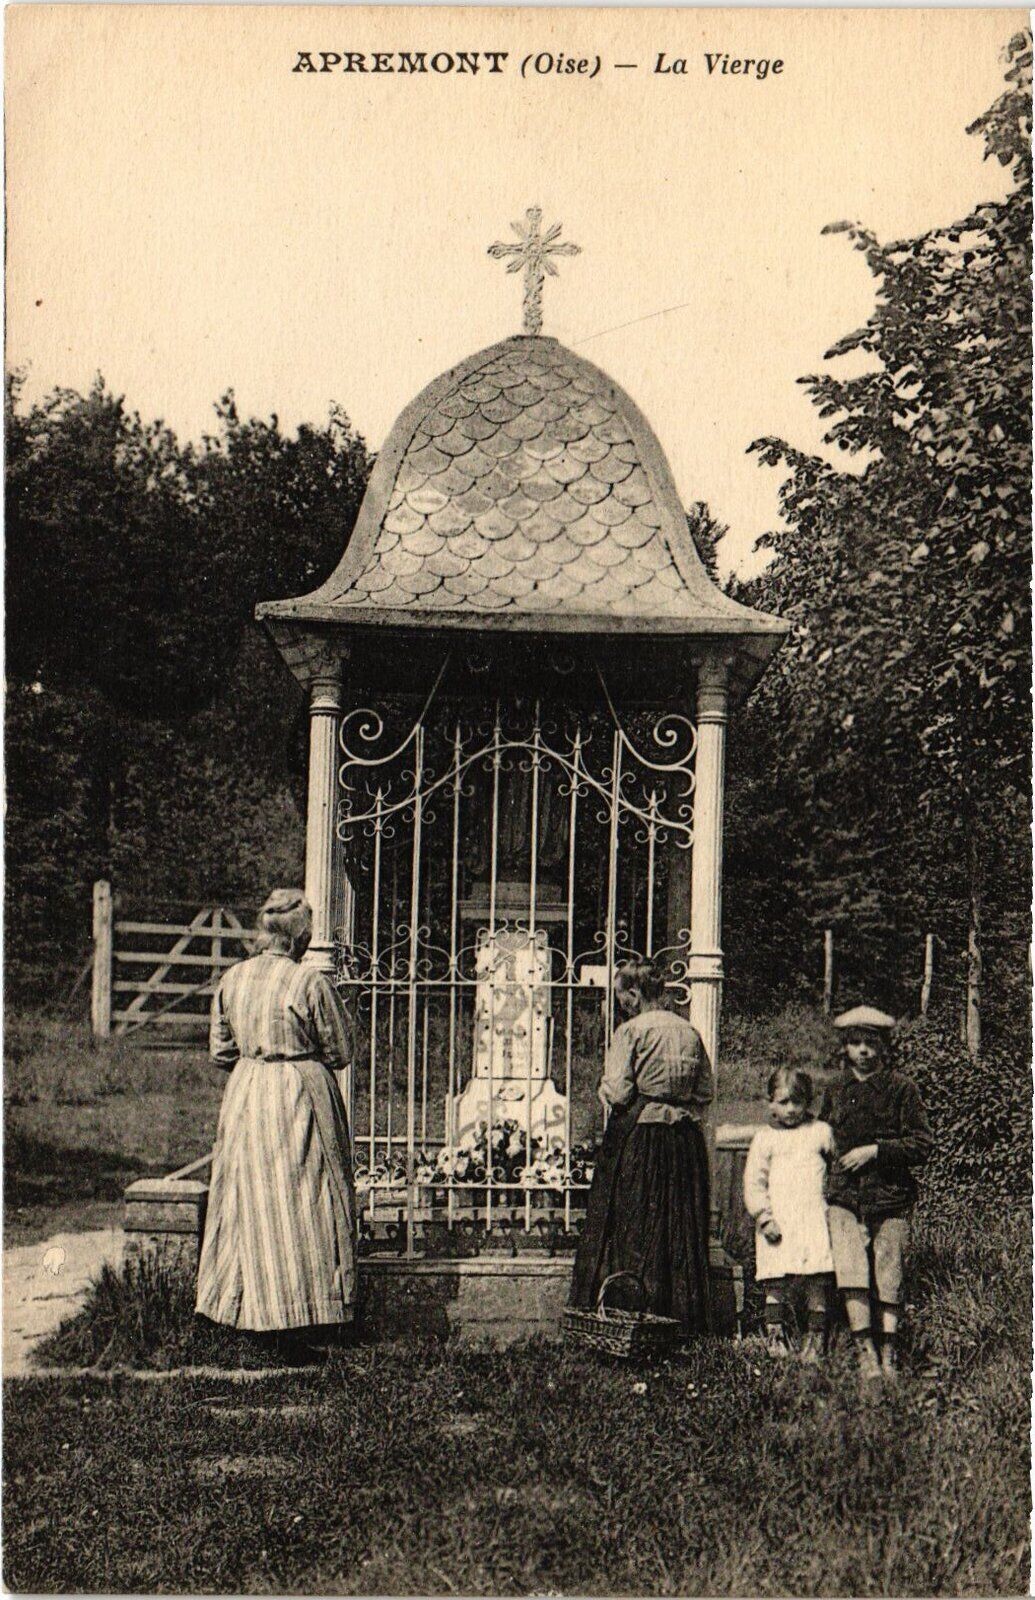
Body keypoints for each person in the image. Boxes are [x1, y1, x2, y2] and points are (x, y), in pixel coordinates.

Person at [195, 889, 358, 1352]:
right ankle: (303, 1316)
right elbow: (341, 1051)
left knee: (251, 1198)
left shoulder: (233, 979)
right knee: (305, 1197)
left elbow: (220, 1050)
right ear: (298, 938)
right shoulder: (308, 982)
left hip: (248, 1091)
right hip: (298, 1093)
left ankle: (246, 1309)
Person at [569, 959, 713, 1335]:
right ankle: (679, 1319)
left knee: (635, 1224)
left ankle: (632, 1317)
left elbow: (618, 1092)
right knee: (677, 1227)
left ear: (633, 995)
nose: (621, 1005)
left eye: (622, 998)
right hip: (683, 1142)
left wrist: (607, 1091)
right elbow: (705, 1092)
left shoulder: (631, 1031)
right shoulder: (690, 1031)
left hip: (644, 1139)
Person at [819, 1004, 932, 1382]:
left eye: (871, 1042)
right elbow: (820, 1139)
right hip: (844, 1196)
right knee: (851, 1269)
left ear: (884, 1045)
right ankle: (864, 1350)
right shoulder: (834, 1089)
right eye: (855, 1043)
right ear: (845, 1047)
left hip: (890, 1196)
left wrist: (877, 1151)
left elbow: (922, 1144)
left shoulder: (902, 1089)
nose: (864, 1051)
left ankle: (889, 1352)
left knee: (889, 1271)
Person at [743, 1067, 835, 1363]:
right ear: (770, 1102)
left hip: (813, 1219)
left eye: (798, 1101)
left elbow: (837, 1170)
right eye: (783, 1102)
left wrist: (836, 1206)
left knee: (817, 1279)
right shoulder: (765, 1139)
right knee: (776, 1280)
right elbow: (754, 1182)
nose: (791, 1109)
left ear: (808, 1102)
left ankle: (815, 1341)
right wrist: (764, 1217)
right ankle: (776, 1338)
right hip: (778, 1221)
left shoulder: (820, 1133)